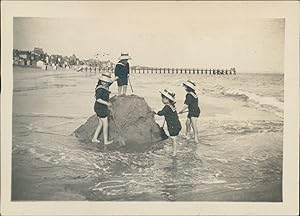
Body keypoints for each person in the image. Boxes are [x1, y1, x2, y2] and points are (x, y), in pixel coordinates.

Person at [92, 72, 118, 145]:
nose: (104, 83)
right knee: (105, 124)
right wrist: (107, 103)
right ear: (101, 81)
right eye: (103, 81)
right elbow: (98, 99)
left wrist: (115, 78)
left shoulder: (105, 85)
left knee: (100, 124)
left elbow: (110, 82)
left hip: (99, 107)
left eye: (106, 82)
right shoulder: (100, 89)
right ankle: (106, 141)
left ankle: (94, 138)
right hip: (100, 107)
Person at [154, 89, 182, 156]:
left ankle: (174, 153)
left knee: (173, 139)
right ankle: (175, 150)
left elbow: (161, 113)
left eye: (163, 98)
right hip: (177, 125)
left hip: (172, 126)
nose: (162, 100)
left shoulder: (167, 107)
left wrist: (155, 112)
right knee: (174, 139)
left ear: (167, 99)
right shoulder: (172, 106)